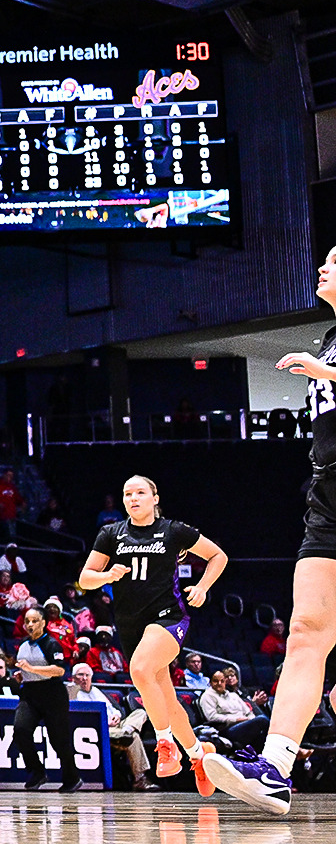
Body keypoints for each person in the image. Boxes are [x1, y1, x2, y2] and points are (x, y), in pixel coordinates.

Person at [209, 252, 336, 814]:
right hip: (327, 496)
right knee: (305, 632)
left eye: (335, 261)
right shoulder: (329, 339)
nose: (322, 268)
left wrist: (325, 374)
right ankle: (275, 770)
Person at [78, 474, 226, 791]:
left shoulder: (174, 530)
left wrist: (202, 587)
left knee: (142, 669)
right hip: (130, 625)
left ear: (155, 498)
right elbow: (85, 578)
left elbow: (218, 556)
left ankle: (165, 745)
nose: (133, 498)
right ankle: (199, 755)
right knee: (167, 701)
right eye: (127, 493)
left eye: (140, 492)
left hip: (168, 618)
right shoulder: (111, 533)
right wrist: (107, 575)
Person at [12, 606, 82, 791]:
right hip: (29, 693)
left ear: (43, 623)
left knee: (58, 740)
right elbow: (26, 669)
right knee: (20, 730)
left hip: (52, 694)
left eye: (34, 621)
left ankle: (72, 778)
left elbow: (59, 670)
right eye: (27, 621)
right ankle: (37, 772)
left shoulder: (51, 644)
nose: (30, 625)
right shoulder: (23, 645)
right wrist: (23, 675)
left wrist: (32, 670)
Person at [69, 662, 153, 790]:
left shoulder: (96, 691)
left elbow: (113, 709)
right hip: (102, 729)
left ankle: (126, 730)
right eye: (80, 675)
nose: (84, 678)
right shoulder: (72, 693)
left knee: (140, 712)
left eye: (87, 675)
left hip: (118, 726)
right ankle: (139, 779)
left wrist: (116, 716)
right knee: (134, 737)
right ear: (73, 678)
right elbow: (81, 719)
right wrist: (104, 721)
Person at [200, 669, 270, 750]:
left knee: (261, 729)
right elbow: (212, 717)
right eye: (216, 681)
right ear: (210, 683)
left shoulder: (233, 695)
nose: (219, 683)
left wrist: (250, 719)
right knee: (262, 720)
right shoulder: (207, 696)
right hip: (227, 729)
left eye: (222, 681)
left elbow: (248, 712)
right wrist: (236, 719)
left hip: (244, 723)